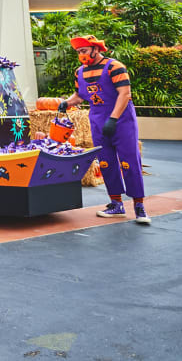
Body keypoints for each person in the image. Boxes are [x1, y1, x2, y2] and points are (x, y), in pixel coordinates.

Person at [58, 35, 150, 223]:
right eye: (78, 52)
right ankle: (116, 204)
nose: (81, 55)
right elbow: (80, 95)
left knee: (130, 162)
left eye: (84, 51)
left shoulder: (115, 67)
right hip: (98, 121)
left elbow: (125, 94)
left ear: (95, 49)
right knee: (106, 162)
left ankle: (139, 206)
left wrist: (113, 119)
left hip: (122, 120)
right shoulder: (79, 72)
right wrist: (66, 103)